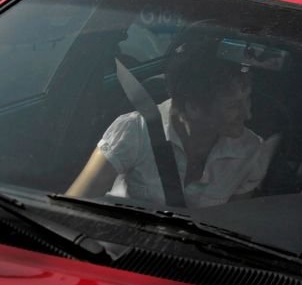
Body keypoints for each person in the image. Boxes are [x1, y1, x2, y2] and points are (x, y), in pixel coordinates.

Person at [66, 31, 275, 208]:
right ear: (193, 107)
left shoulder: (251, 152)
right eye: (232, 106)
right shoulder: (134, 131)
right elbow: (73, 210)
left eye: (247, 100)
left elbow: (234, 228)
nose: (247, 115)